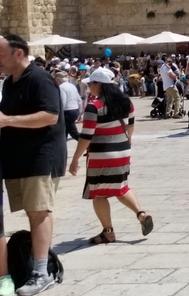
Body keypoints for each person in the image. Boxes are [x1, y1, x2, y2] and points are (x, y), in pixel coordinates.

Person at [0, 35, 66, 296]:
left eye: (0, 56)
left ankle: (41, 272)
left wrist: (8, 121)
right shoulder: (12, 83)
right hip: (20, 160)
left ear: (18, 54)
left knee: (40, 211)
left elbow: (50, 115)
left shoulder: (39, 79)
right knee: (33, 212)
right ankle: (38, 262)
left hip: (41, 156)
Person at [69, 67, 154, 246]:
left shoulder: (94, 106)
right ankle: (141, 214)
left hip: (102, 154)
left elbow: (86, 135)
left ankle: (108, 232)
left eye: (90, 83)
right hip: (123, 150)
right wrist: (126, 141)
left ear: (99, 85)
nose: (89, 87)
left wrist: (75, 158)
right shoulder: (126, 103)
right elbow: (130, 126)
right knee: (121, 186)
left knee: (99, 194)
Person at [54, 71, 82, 141]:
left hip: (67, 111)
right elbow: (79, 100)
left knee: (71, 131)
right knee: (66, 130)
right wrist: (80, 112)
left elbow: (63, 102)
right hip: (75, 110)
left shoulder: (61, 87)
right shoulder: (72, 86)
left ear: (58, 79)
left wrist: (59, 113)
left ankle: (85, 143)